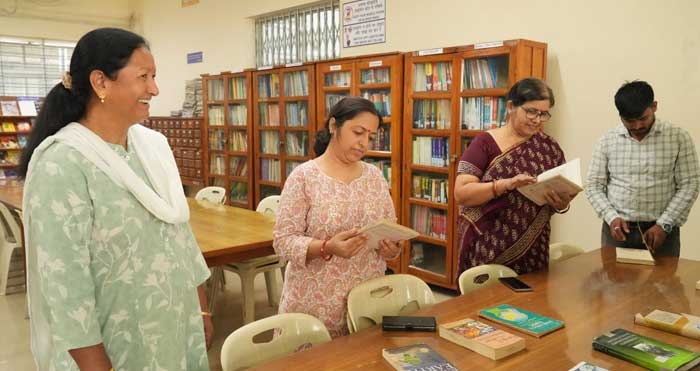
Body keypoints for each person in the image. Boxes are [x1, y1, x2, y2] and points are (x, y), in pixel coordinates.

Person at [19, 28, 212, 371]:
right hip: (116, 347)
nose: (154, 89)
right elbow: (65, 287)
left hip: (175, 331)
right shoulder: (62, 164)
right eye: (143, 77)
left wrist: (200, 311)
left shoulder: (153, 147)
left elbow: (179, 236)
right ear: (101, 83)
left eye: (154, 76)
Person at [272, 97, 402, 338]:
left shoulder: (374, 177)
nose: (364, 143)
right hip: (315, 304)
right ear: (333, 126)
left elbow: (390, 232)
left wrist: (391, 249)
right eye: (358, 132)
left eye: (370, 137)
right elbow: (282, 241)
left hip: (367, 303)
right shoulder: (304, 177)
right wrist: (326, 247)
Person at [454, 78, 576, 276]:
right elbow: (461, 193)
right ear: (511, 106)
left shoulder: (549, 148)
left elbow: (562, 193)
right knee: (486, 304)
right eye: (531, 111)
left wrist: (562, 203)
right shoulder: (484, 143)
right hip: (489, 246)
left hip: (534, 246)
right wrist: (505, 185)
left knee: (531, 302)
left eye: (544, 114)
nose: (537, 120)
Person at [585, 80, 699, 256]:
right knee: (614, 283)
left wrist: (664, 225)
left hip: (662, 231)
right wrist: (611, 217)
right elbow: (593, 185)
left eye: (642, 118)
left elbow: (690, 184)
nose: (637, 126)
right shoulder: (607, 141)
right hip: (617, 231)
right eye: (629, 121)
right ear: (620, 116)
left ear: (654, 106)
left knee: (664, 283)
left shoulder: (678, 138)